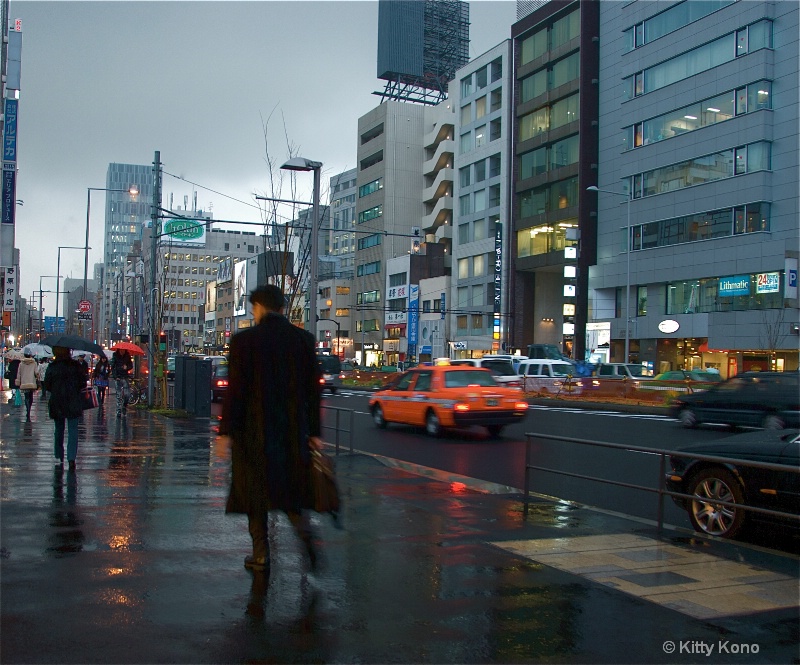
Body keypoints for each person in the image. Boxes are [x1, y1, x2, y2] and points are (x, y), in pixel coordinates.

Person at [218, 284, 323, 574]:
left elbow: (235, 391)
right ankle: (307, 541)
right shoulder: (302, 340)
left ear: (260, 307)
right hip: (290, 432)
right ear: (281, 308)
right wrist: (314, 433)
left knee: (254, 495)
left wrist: (225, 431)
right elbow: (313, 392)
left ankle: (261, 555)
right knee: (290, 493)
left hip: (252, 433)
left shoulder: (244, 341)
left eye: (253, 308)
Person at [43, 346, 86, 471]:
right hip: (73, 401)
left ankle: (59, 456)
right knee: (73, 430)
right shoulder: (76, 366)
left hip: (57, 401)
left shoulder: (52, 367)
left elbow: (47, 385)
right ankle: (71, 458)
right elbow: (83, 382)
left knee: (59, 430)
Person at [15, 351, 39, 421]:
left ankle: (27, 409)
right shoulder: (34, 363)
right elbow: (36, 373)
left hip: (24, 383)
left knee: (26, 397)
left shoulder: (21, 364)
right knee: (31, 396)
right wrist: (37, 378)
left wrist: (18, 382)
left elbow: (19, 374)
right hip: (31, 382)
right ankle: (29, 409)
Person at [110, 349, 133, 418]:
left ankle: (124, 406)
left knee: (127, 394)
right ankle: (119, 410)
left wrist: (127, 367)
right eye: (121, 350)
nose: (122, 351)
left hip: (125, 377)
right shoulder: (115, 356)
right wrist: (115, 376)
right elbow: (113, 367)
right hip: (118, 377)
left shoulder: (127, 356)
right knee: (119, 394)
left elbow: (131, 365)